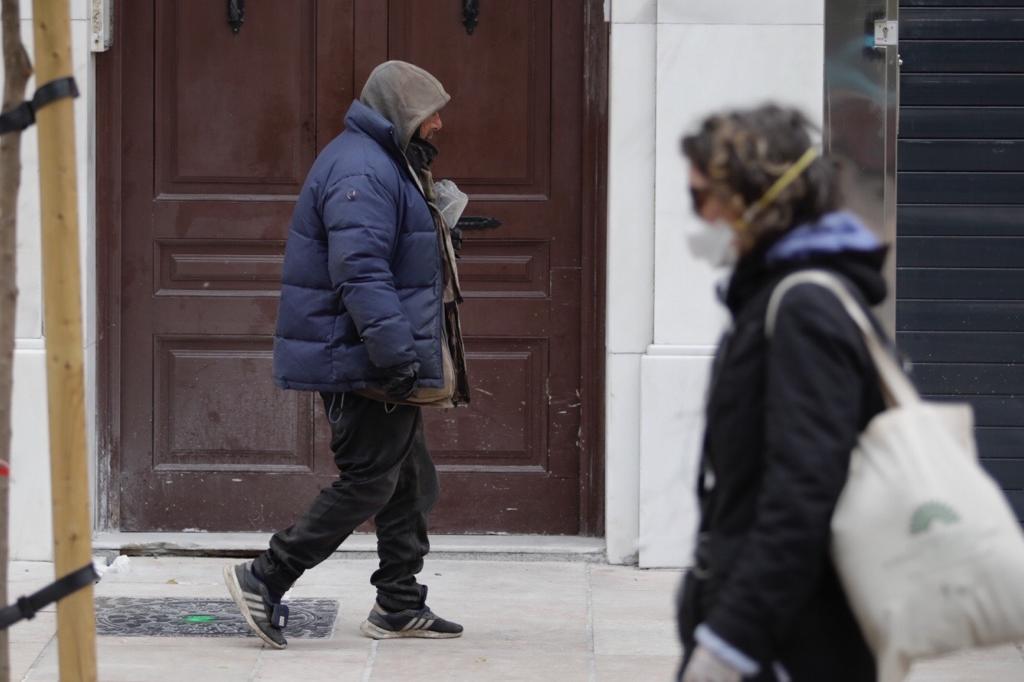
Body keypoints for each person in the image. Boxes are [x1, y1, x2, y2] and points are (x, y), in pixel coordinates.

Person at [224, 60, 469, 649]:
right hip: (364, 360)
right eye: (430, 111)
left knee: (410, 481)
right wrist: (395, 353)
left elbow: (387, 251)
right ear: (401, 112)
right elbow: (359, 270)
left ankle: (399, 605)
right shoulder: (361, 166)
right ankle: (264, 576)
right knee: (369, 481)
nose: (438, 123)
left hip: (377, 354)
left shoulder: (384, 162)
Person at [676, 105, 887, 682]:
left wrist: (730, 645)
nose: (700, 216)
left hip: (794, 642)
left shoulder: (802, 308)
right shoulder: (775, 296)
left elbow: (802, 492)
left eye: (703, 197)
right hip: (776, 633)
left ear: (756, 198)